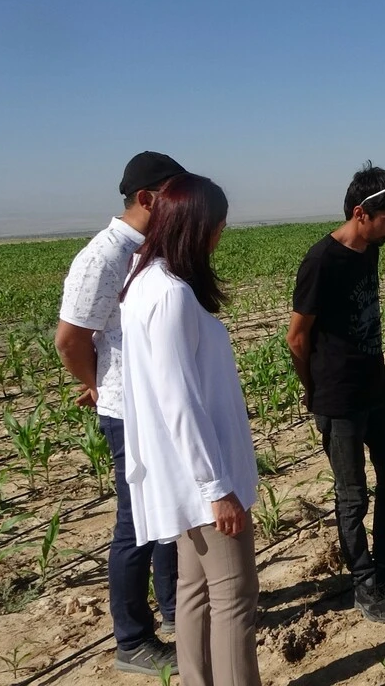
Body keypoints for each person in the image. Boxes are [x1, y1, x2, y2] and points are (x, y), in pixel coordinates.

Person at [119, 173, 261, 686]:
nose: (219, 238)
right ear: (196, 228)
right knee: (235, 599)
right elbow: (178, 401)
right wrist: (216, 489)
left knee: (195, 592)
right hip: (203, 478)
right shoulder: (171, 294)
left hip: (178, 476)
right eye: (218, 228)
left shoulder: (145, 282)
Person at [285, 162, 385, 624]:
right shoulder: (320, 261)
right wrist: (315, 391)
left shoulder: (369, 247)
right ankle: (363, 582)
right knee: (353, 496)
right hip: (338, 397)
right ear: (360, 213)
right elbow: (296, 337)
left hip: (375, 388)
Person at [55, 151, 184, 675]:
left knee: (168, 515)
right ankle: (133, 640)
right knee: (136, 527)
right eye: (177, 198)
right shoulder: (103, 256)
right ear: (147, 198)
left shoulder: (154, 250)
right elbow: (70, 340)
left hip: (156, 406)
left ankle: (175, 608)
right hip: (128, 413)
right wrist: (99, 385)